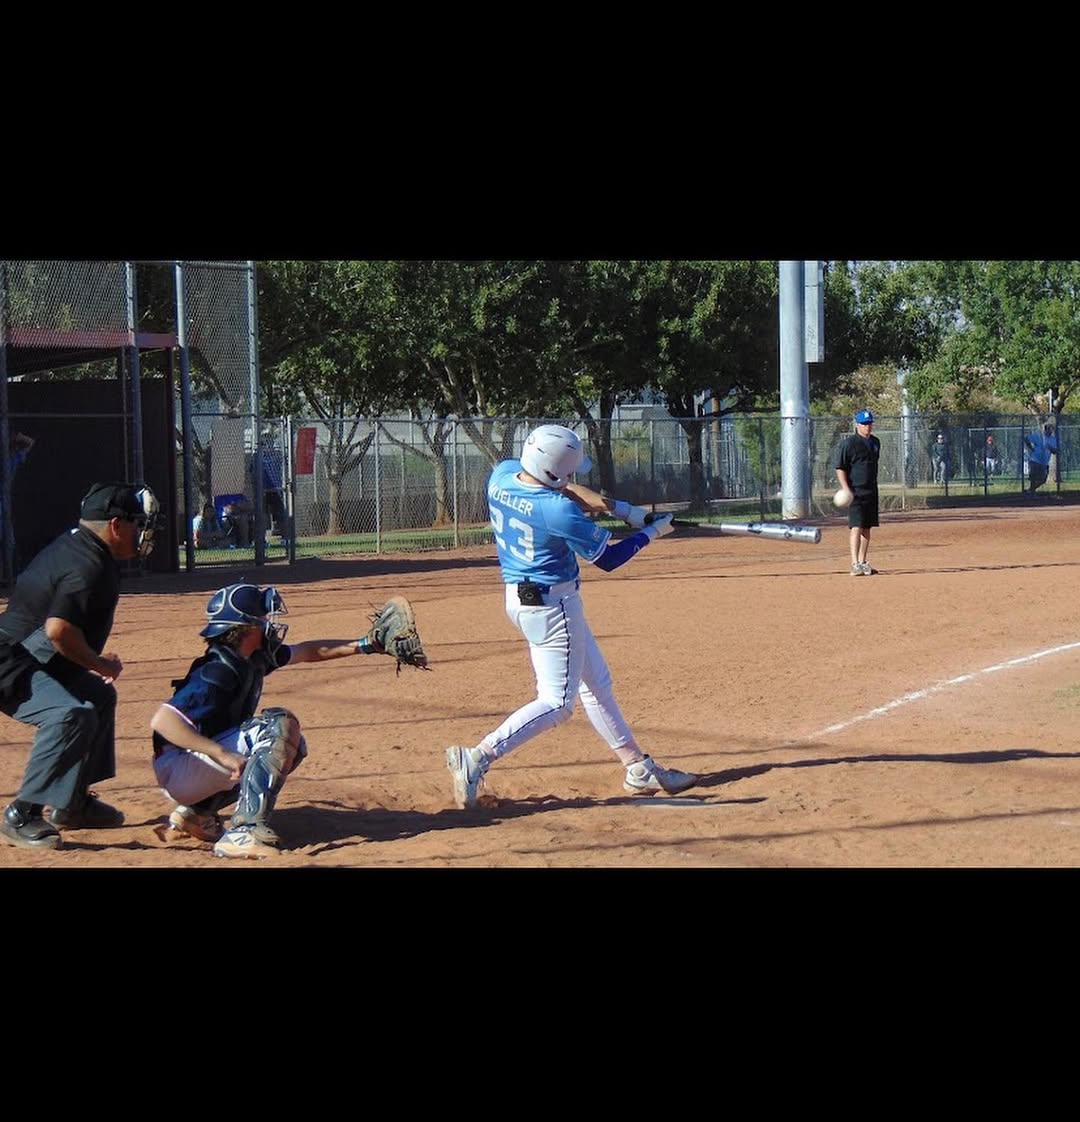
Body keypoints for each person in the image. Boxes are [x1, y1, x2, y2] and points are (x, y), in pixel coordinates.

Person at [444, 423, 700, 810]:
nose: (572, 478)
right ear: (553, 471)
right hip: (554, 607)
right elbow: (608, 558)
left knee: (596, 683)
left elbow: (565, 488)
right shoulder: (557, 511)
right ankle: (478, 756)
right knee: (557, 703)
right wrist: (652, 532)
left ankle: (636, 767)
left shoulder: (503, 475)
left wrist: (627, 512)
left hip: (522, 598)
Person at [149, 583, 421, 859]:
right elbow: (164, 720)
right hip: (179, 766)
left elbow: (307, 651)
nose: (270, 625)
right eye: (264, 619)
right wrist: (222, 754)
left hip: (191, 766)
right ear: (247, 627)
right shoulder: (217, 670)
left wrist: (366, 645)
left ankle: (197, 813)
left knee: (294, 747)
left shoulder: (250, 658)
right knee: (278, 727)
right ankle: (244, 832)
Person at [0, 480, 161, 849]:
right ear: (115, 525)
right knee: (71, 715)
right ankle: (22, 813)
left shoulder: (81, 546)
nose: (142, 532)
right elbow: (58, 630)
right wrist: (99, 663)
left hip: (29, 654)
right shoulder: (88, 564)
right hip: (10, 662)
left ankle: (72, 803)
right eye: (137, 524)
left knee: (98, 698)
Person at [833, 408, 881, 576]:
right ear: (857, 425)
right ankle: (854, 563)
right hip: (855, 491)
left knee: (867, 528)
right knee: (857, 526)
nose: (867, 426)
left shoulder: (875, 442)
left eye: (869, 423)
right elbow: (840, 468)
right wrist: (846, 489)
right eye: (864, 424)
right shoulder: (849, 443)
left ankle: (862, 562)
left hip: (871, 490)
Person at [251, 431, 288, 539]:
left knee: (280, 514)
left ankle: (285, 538)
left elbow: (287, 464)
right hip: (262, 489)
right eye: (264, 443)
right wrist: (255, 488)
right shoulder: (256, 456)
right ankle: (261, 540)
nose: (267, 445)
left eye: (269, 442)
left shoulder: (278, 454)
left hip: (276, 488)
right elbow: (252, 473)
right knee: (261, 515)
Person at [1023, 422, 1058, 495]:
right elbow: (1026, 439)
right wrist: (1030, 447)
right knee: (1033, 477)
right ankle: (1031, 493)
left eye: (1051, 430)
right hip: (1035, 459)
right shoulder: (1038, 436)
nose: (1050, 431)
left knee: (1043, 479)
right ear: (1045, 430)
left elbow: (1055, 451)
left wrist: (1049, 447)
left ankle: (1030, 490)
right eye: (1048, 429)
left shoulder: (1053, 439)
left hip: (1044, 462)